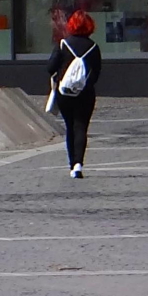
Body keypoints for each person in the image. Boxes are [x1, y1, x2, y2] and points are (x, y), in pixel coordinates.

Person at [48, 10, 101, 179]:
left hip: (65, 93)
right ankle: (79, 163)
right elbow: (96, 73)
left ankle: (72, 164)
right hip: (85, 93)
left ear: (71, 25)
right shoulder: (93, 47)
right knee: (81, 127)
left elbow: (50, 67)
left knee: (70, 127)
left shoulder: (63, 44)